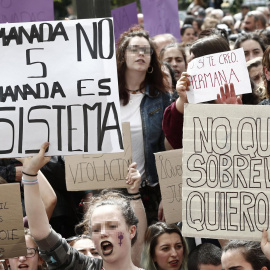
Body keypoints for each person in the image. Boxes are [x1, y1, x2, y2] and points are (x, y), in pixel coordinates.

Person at [20, 142, 146, 270]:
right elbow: (42, 234)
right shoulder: (84, 267)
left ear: (132, 231)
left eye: (112, 226)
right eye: (96, 229)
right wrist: (30, 173)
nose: (103, 233)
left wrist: (134, 193)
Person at [116, 26, 171, 224]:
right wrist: (89, 193)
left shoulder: (162, 98)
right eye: (135, 49)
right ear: (122, 55)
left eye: (147, 50)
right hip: (112, 190)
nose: (141, 53)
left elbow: (168, 149)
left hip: (149, 189)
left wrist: (168, 194)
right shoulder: (105, 96)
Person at [162, 34, 242, 150]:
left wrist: (235, 113)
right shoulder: (186, 93)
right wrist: (183, 101)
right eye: (192, 63)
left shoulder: (245, 92)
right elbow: (173, 143)